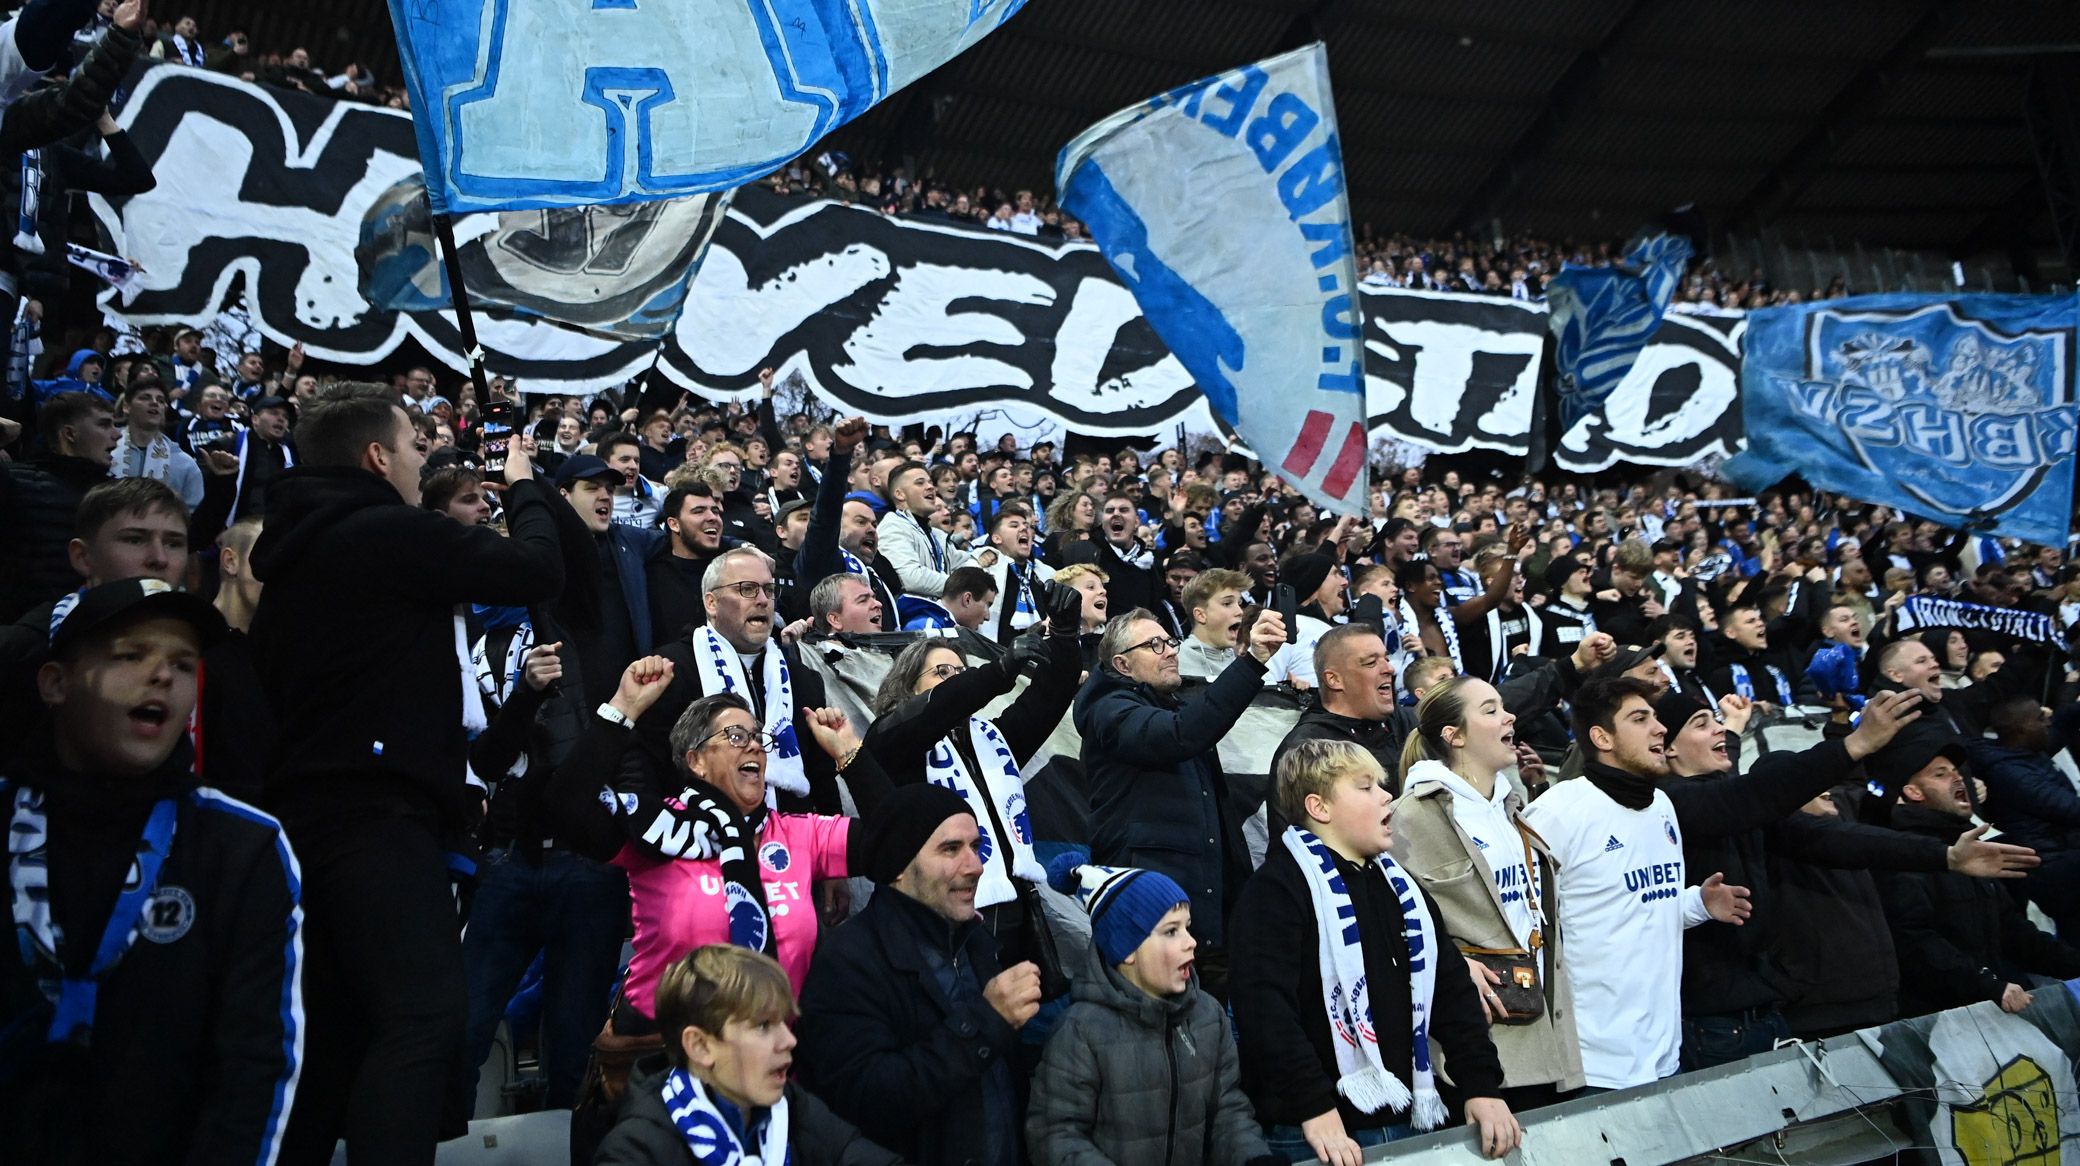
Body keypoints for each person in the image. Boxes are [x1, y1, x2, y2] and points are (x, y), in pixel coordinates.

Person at [250, 383, 565, 1165]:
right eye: (416, 447)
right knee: (425, 1015)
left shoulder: (303, 543)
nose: (424, 462)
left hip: (308, 816)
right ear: (376, 456)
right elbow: (535, 571)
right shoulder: (383, 531)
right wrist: (523, 484)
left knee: (337, 1033)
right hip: (375, 818)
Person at [1, 578, 301, 1166]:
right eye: (130, 655)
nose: (163, 676)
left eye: (184, 664)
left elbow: (253, 1068)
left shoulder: (242, 846)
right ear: (56, 683)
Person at [1229, 740, 1520, 1164]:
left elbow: (1451, 991)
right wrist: (1313, 1105)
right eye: (1366, 787)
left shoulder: (1405, 891)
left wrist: (1481, 1085)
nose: (1387, 795)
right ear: (1319, 807)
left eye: (1382, 785)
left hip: (1412, 1118)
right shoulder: (1274, 891)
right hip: (1316, 1130)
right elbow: (1265, 1012)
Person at [1514, 677, 1754, 1092]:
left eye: (1656, 718)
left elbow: (1635, 904)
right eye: (1640, 719)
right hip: (1593, 1062)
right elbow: (1523, 926)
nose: (1660, 729)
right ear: (1601, 737)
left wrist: (1697, 903)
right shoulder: (1557, 813)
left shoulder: (1661, 804)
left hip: (1664, 1052)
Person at [797, 784, 1043, 1166]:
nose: (976, 865)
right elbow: (867, 1101)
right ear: (898, 865)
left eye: (975, 847)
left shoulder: (977, 944)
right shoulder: (848, 962)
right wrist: (986, 1022)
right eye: (950, 849)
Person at [1391, 678, 1584, 1109]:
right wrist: (1450, 965)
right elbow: (1389, 926)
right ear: (1453, 735)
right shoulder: (1410, 816)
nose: (1509, 716)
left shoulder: (1511, 808)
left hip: (1542, 1025)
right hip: (1475, 1037)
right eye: (1490, 709)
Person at [1075, 605, 1287, 993]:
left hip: (1205, 918)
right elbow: (1180, 734)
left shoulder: (1170, 706)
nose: (1171, 650)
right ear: (1122, 664)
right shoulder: (1110, 711)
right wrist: (1252, 662)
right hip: (1150, 919)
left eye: (1171, 641)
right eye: (1155, 645)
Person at [864, 591, 1082, 961]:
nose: (956, 680)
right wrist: (996, 672)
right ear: (908, 687)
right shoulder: (891, 737)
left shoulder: (992, 739)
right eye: (941, 673)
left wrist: (1063, 634)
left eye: (961, 673)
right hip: (935, 919)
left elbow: (1049, 696)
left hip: (1012, 913)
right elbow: (942, 706)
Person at [1028, 855, 1281, 1166]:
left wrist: (1252, 1157)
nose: (1191, 942)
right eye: (1171, 931)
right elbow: (1056, 1135)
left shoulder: (1208, 1017)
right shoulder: (1081, 1031)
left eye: (1188, 928)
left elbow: (1228, 1111)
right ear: (1127, 948)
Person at [597, 944, 904, 1166]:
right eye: (762, 1026)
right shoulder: (636, 1150)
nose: (788, 1040)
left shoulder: (791, 1108)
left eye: (783, 1022)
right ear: (700, 1046)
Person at [1872, 730, 2080, 1018]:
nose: (1958, 778)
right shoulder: (1903, 854)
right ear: (1913, 792)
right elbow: (1915, 943)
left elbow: (2011, 930)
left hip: (1992, 1007)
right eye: (1940, 774)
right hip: (1942, 1024)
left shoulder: (1968, 845)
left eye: (1957, 771)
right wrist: (1987, 985)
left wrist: (2074, 962)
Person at [1969, 697, 2080, 938]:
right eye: (2041, 718)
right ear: (2021, 730)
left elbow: (2062, 724)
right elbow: (2069, 809)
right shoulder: (2009, 773)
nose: (2048, 721)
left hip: (2066, 854)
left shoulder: (2023, 751)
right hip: (2049, 869)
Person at [1, 392, 117, 621]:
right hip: (20, 635)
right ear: (69, 433)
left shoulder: (117, 494)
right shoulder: (14, 482)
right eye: (104, 424)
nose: (117, 434)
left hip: (92, 631)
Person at [878, 459, 973, 599]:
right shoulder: (893, 526)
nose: (930, 487)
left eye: (930, 482)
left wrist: (986, 556)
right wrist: (963, 587)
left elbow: (964, 561)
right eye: (920, 482)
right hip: (911, 618)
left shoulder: (937, 534)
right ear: (900, 494)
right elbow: (910, 577)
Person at [110, 378, 204, 509]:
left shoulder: (185, 464)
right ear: (126, 407)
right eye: (145, 398)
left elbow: (192, 514)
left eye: (160, 400)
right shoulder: (105, 450)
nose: (154, 403)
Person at [976, 504, 1054, 643]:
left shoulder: (1046, 572)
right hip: (995, 656)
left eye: (1027, 525)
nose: (1024, 528)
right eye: (1014, 525)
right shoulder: (982, 568)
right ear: (997, 538)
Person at [1177, 567, 1252, 682]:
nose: (1240, 612)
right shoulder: (1176, 663)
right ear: (1201, 615)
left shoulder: (1238, 662)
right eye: (1227, 603)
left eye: (1239, 603)